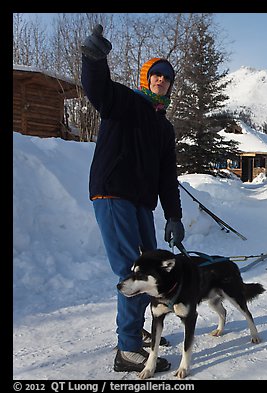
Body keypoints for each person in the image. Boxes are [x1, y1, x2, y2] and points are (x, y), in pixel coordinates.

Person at [81, 24, 185, 372]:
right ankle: (127, 350)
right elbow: (97, 89)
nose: (160, 80)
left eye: (166, 78)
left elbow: (168, 177)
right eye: (155, 75)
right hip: (112, 193)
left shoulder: (164, 128)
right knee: (133, 270)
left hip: (142, 202)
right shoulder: (125, 102)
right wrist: (94, 59)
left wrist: (174, 215)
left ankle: (134, 331)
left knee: (150, 268)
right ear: (146, 79)